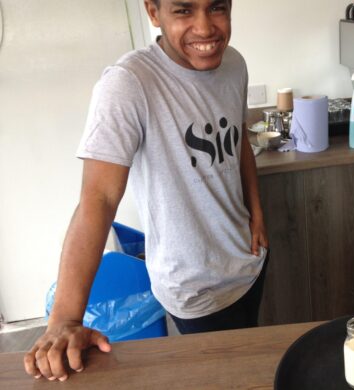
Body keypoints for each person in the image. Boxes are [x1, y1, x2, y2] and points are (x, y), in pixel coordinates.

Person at [23, 0, 268, 382]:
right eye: (184, 10)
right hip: (194, 285)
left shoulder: (234, 64)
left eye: (217, 7)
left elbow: (240, 146)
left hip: (248, 262)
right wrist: (66, 319)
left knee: (251, 363)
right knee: (218, 378)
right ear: (154, 13)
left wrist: (256, 214)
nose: (205, 28)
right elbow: (99, 199)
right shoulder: (129, 83)